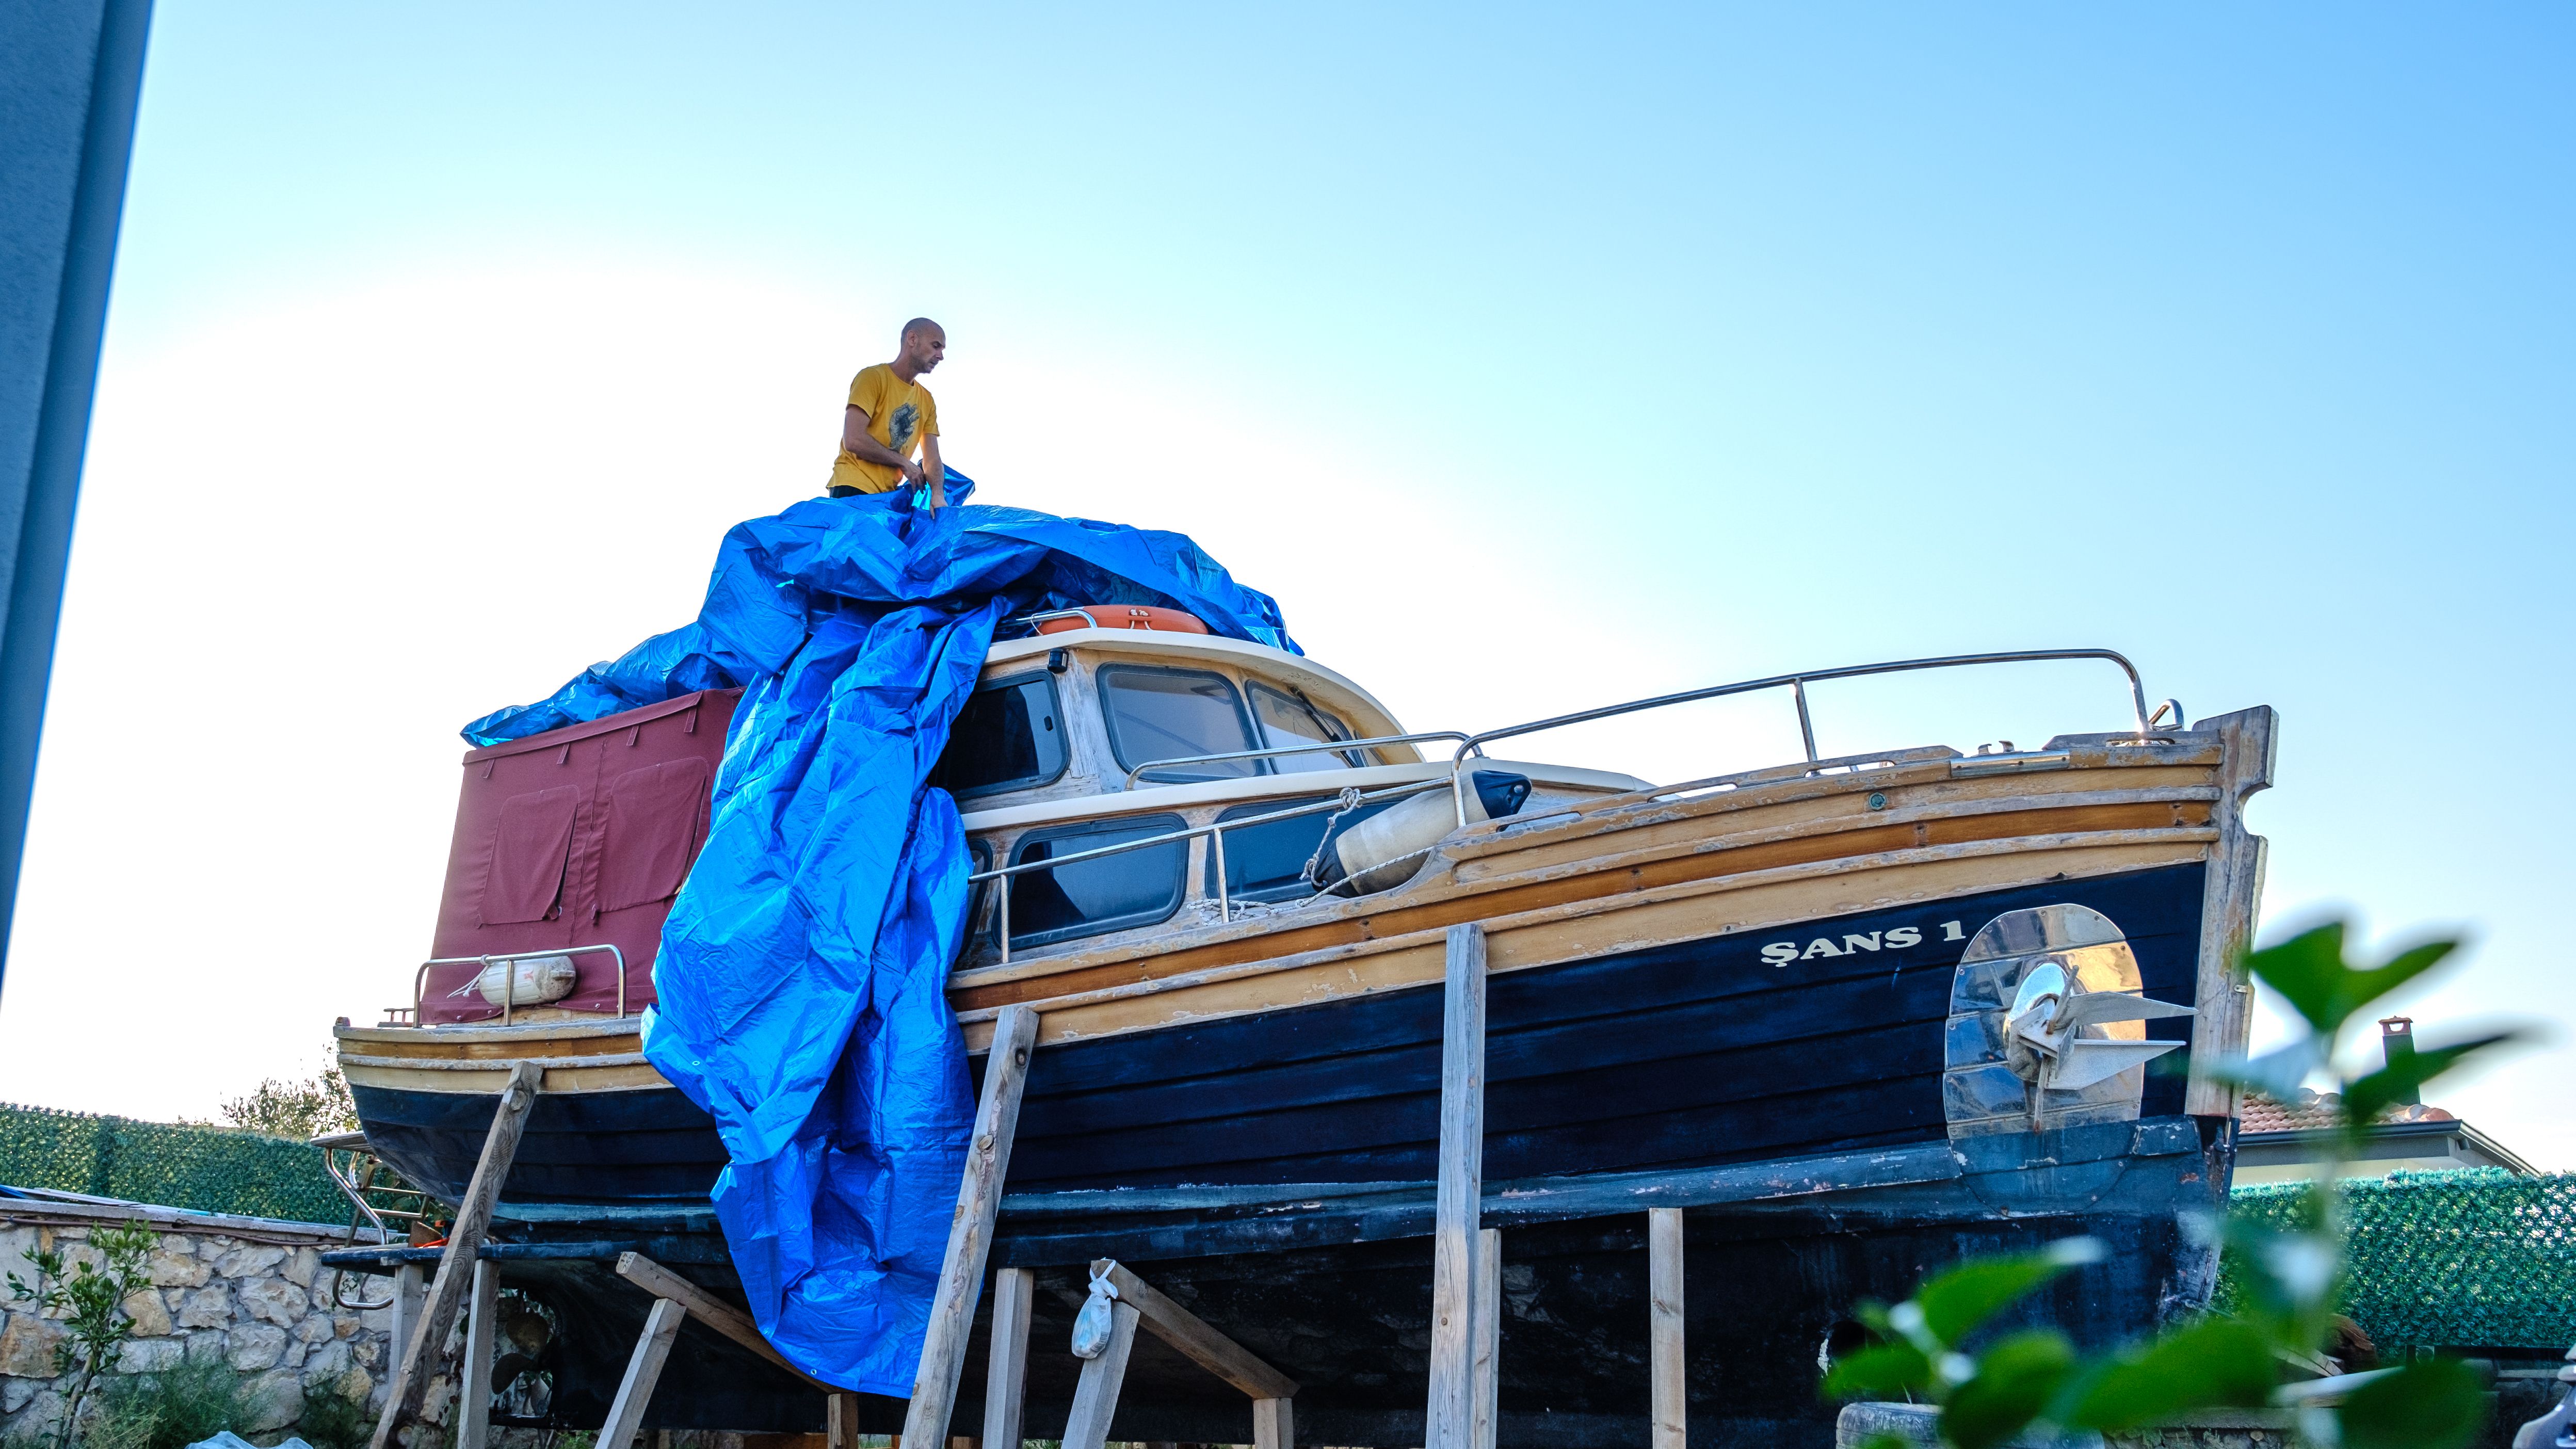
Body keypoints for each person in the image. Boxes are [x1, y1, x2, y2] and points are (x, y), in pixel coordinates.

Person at [827, 317, 947, 507]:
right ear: (912, 339)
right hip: (853, 489)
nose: (940, 356)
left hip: (887, 499)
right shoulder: (873, 378)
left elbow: (932, 459)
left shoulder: (927, 400)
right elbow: (854, 439)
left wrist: (938, 496)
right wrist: (904, 463)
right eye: (936, 346)